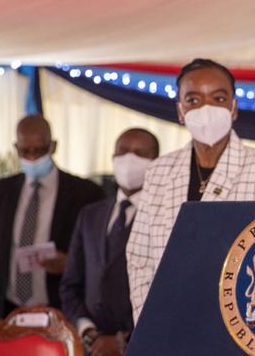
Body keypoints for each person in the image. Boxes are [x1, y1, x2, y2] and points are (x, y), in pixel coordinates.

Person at [126, 58, 255, 323]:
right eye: (193, 100)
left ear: (234, 108)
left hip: (239, 324)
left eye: (218, 98)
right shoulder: (160, 171)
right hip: (168, 322)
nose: (206, 109)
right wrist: (149, 323)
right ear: (180, 111)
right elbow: (139, 257)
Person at [0, 115, 105, 327]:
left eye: (39, 150)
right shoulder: (2, 190)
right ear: (16, 148)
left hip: (59, 309)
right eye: (25, 151)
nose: (33, 157)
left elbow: (99, 255)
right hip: (4, 309)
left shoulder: (85, 193)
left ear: (53, 146)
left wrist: (71, 263)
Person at [60, 128, 159, 356]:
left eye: (139, 153)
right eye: (123, 151)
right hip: (90, 347)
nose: (129, 159)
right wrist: (88, 331)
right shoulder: (90, 214)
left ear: (156, 162)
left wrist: (124, 340)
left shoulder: (165, 217)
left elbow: (169, 293)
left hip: (141, 346)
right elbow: (70, 284)